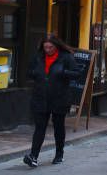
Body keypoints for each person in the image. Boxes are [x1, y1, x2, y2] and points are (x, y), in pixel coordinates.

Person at [23, 34, 80, 168]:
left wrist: (64, 72)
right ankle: (33, 156)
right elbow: (29, 72)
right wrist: (35, 72)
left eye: (50, 47)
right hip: (40, 97)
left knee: (58, 127)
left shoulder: (66, 58)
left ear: (57, 46)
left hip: (59, 97)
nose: (48, 50)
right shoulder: (38, 57)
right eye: (45, 47)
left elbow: (77, 74)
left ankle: (59, 154)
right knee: (40, 127)